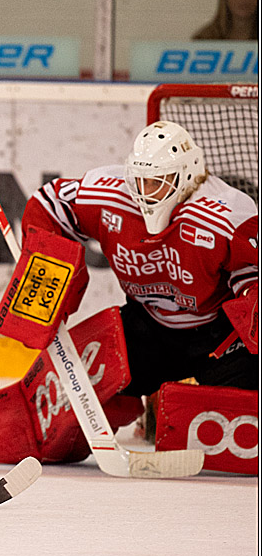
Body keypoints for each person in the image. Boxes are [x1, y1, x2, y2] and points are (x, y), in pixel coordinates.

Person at [25, 120, 258, 397]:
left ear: (186, 175)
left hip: (216, 338)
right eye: (140, 180)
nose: (145, 191)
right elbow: (49, 204)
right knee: (75, 392)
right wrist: (45, 281)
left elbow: (251, 273)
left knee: (238, 409)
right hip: (146, 327)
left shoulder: (225, 216)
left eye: (157, 182)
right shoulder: (110, 195)